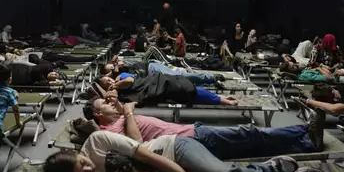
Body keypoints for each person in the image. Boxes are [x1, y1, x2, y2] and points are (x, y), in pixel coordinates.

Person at [40, 126, 322, 172]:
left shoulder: (98, 140)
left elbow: (148, 157)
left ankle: (271, 170)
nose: (89, 170)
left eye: (83, 163)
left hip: (174, 150)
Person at [84, 97, 321, 160]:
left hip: (191, 134)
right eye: (105, 103)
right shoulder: (109, 132)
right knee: (249, 134)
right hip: (191, 139)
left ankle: (307, 143)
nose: (111, 102)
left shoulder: (115, 120)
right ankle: (302, 130)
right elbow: (136, 145)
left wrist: (121, 107)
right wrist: (128, 113)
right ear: (98, 114)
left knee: (249, 146)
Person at [95, 74, 239, 106]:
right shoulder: (116, 93)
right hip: (156, 91)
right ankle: (222, 100)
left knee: (187, 88)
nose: (110, 82)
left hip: (158, 83)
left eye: (108, 79)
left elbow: (130, 81)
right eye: (106, 83)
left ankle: (222, 100)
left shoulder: (121, 78)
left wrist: (115, 85)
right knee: (186, 90)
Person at [101, 56, 217, 86]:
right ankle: (207, 80)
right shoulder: (116, 74)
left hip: (151, 68)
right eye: (109, 69)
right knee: (181, 79)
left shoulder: (120, 68)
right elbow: (115, 74)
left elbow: (118, 69)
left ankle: (211, 78)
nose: (112, 67)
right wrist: (114, 66)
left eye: (110, 66)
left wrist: (116, 64)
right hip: (151, 72)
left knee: (180, 75)